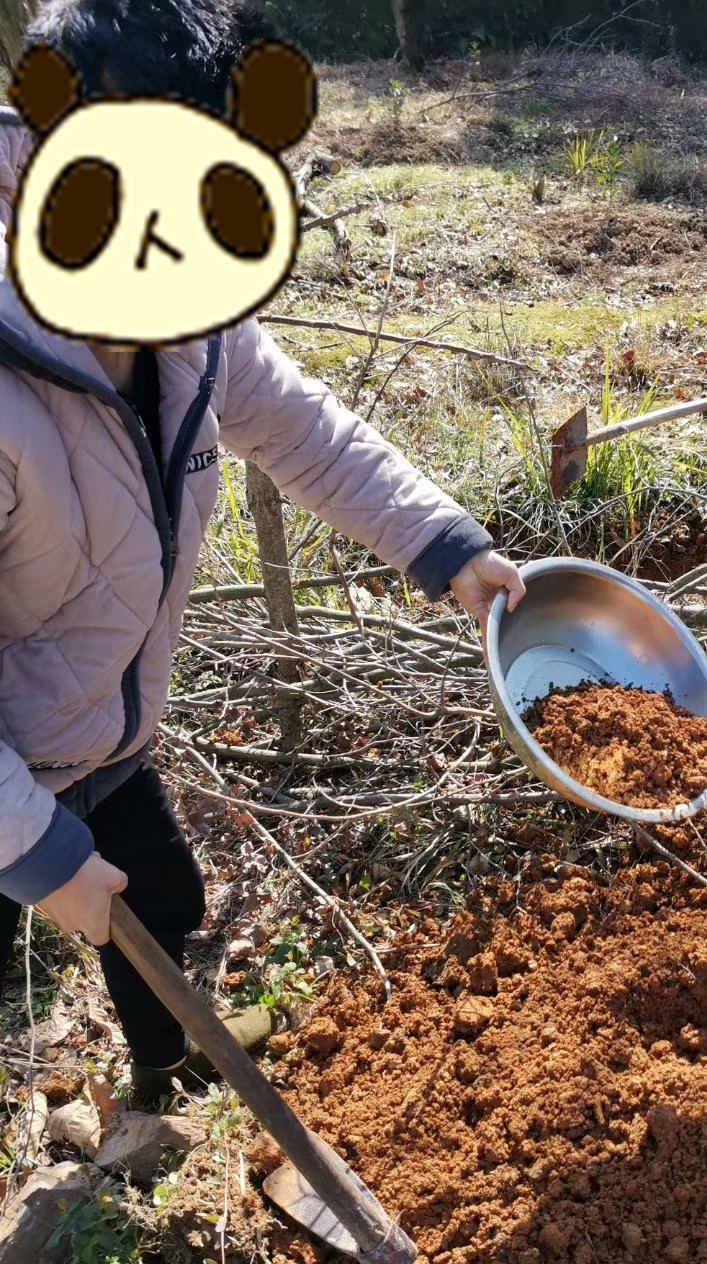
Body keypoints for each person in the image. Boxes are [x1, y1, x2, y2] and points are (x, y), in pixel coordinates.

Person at [0, 0, 526, 1106]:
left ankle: (164, 1082)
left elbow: (303, 429)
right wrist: (35, 855)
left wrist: (442, 544)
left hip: (97, 726)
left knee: (159, 904)